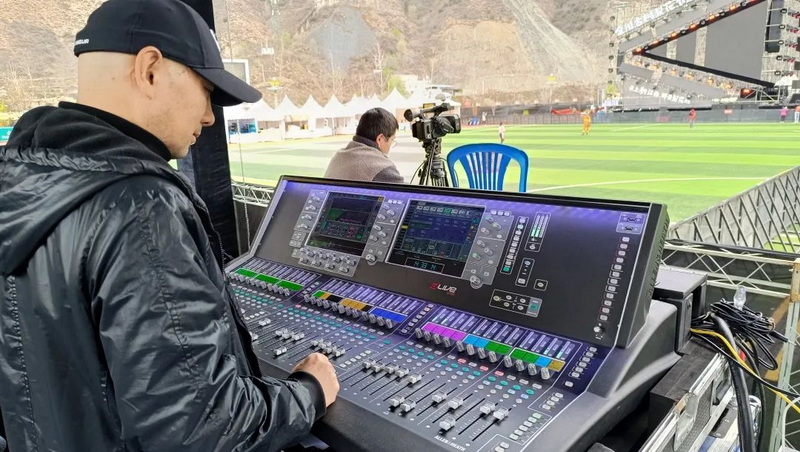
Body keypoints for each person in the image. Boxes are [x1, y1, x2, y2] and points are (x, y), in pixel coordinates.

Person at [0, 1, 339, 451]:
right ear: (150, 70)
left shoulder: (19, 177)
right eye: (206, 90)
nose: (209, 116)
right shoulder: (141, 207)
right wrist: (309, 392)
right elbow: (202, 429)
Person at [324, 107, 404, 183]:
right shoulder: (383, 168)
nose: (391, 144)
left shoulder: (337, 157)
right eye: (392, 140)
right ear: (380, 139)